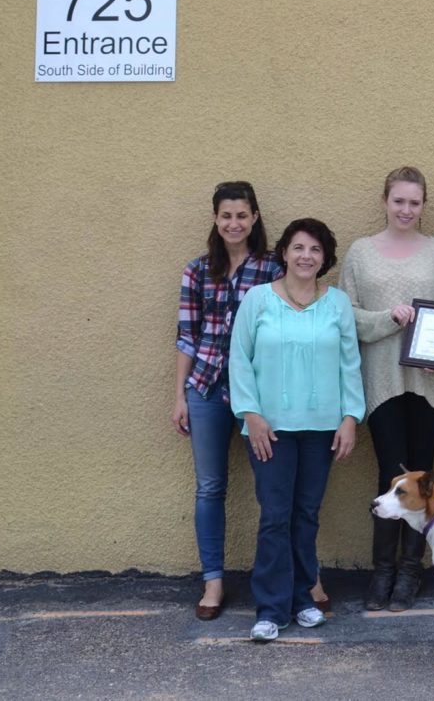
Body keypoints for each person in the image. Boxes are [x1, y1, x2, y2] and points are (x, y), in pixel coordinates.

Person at [229, 218, 364, 643]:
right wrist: (250, 414)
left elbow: (350, 363)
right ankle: (270, 608)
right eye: (298, 247)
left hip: (322, 428)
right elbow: (239, 359)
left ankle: (303, 598)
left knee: (305, 516)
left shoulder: (337, 303)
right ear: (284, 252)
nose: (306, 256)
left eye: (315, 250)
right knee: (274, 517)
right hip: (270, 430)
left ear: (325, 259)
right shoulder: (258, 300)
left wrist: (349, 418)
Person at [341, 166, 434, 612]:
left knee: (423, 477)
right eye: (398, 201)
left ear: (423, 206)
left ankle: (412, 570)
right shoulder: (359, 253)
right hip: (383, 379)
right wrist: (386, 318)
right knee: (390, 474)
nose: (406, 209)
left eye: (414, 202)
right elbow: (347, 315)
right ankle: (382, 571)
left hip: (431, 380)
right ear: (385, 201)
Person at [173, 180, 282, 621]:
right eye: (226, 216)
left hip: (259, 398)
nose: (234, 223)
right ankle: (213, 581)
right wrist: (180, 395)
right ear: (216, 220)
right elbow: (186, 337)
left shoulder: (275, 269)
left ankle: (285, 578)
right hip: (206, 389)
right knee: (210, 488)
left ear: (254, 218)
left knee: (273, 490)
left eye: (242, 215)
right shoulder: (198, 271)